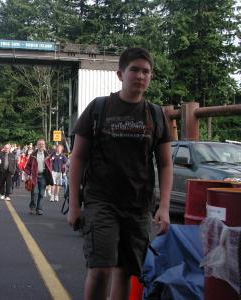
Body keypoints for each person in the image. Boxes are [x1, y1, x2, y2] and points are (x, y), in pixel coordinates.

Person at [67, 47, 173, 300]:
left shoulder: (156, 114)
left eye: (146, 71)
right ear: (120, 74)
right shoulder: (99, 108)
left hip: (137, 206)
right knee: (101, 269)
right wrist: (74, 205)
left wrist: (165, 207)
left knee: (125, 271)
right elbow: (78, 157)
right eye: (134, 69)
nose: (140, 76)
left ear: (151, 77)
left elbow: (166, 164)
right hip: (101, 201)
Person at [25, 139, 53, 215]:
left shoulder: (47, 154)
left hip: (43, 176)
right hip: (34, 176)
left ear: (44, 145)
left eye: (42, 144)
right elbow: (27, 166)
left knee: (41, 193)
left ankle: (39, 209)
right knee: (34, 192)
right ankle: (32, 208)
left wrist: (50, 174)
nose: (41, 145)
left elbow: (50, 165)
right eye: (40, 144)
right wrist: (28, 174)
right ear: (37, 145)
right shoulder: (33, 154)